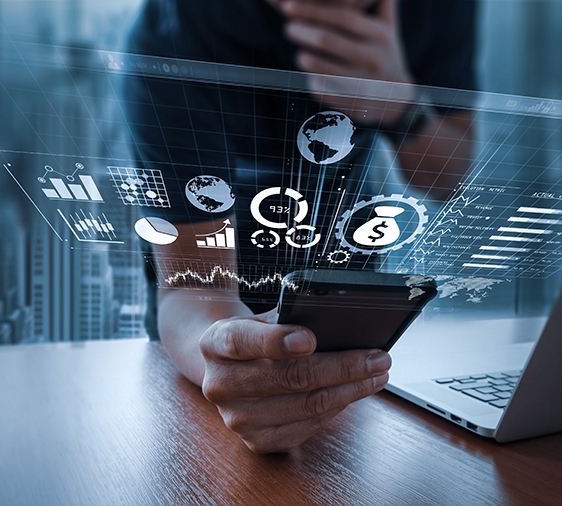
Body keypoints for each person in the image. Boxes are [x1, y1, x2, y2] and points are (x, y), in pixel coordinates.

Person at [123, 0, 476, 453]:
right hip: (205, 333)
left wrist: (401, 106)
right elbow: (191, 288)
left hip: (347, 307)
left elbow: (449, 174)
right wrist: (223, 355)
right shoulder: (176, 32)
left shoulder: (437, 11)